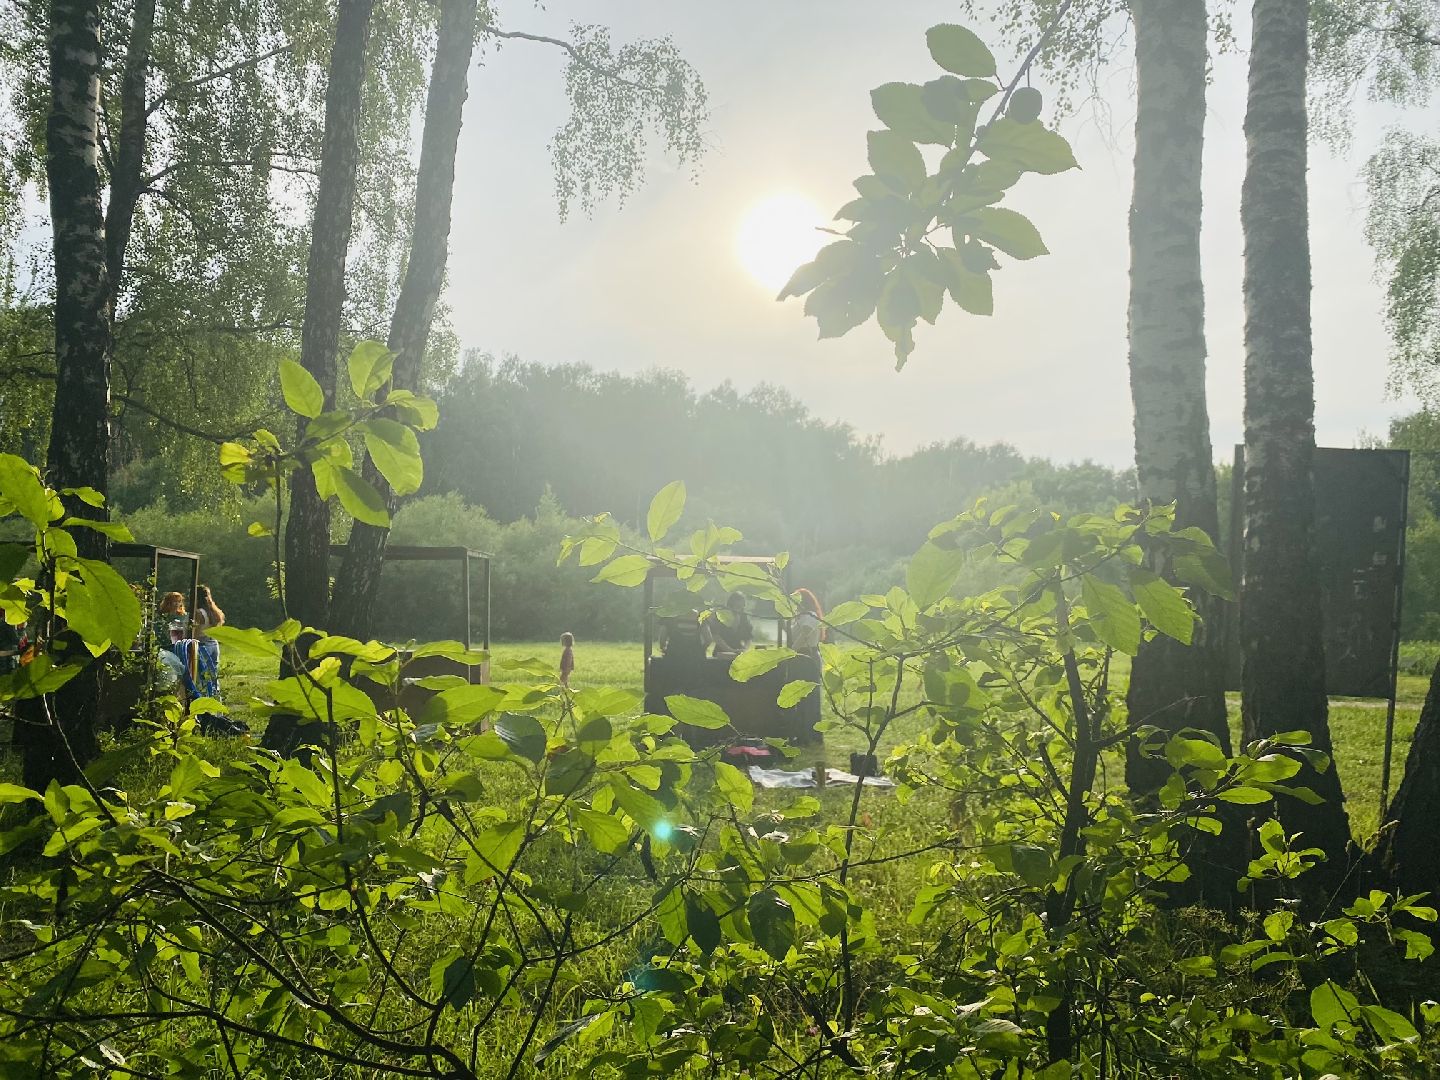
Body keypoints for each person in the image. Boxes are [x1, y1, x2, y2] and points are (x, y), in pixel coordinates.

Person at [711, 593, 753, 658]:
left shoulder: (743, 617)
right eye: (737, 605)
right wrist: (730, 650)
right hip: (721, 652)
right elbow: (716, 636)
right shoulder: (721, 615)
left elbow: (748, 637)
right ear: (731, 603)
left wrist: (745, 649)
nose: (739, 607)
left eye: (741, 605)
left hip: (738, 652)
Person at [791, 588, 824, 656]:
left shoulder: (811, 616)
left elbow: (804, 636)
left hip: (808, 654)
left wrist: (791, 651)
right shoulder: (802, 617)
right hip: (801, 654)